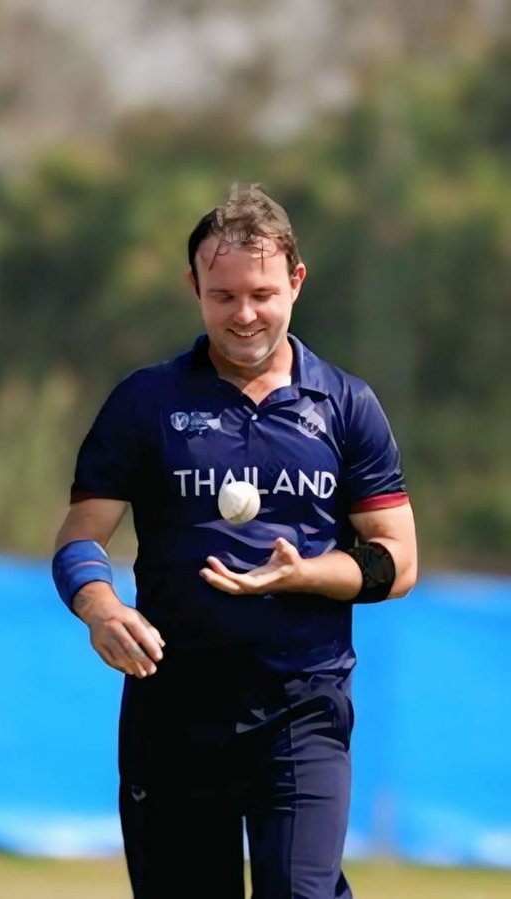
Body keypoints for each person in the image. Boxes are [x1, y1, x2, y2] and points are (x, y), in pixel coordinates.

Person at [52, 184, 419, 897]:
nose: (244, 314)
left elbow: (398, 561)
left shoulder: (348, 405)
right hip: (172, 705)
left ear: (296, 282)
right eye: (223, 295)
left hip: (302, 703)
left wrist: (304, 574)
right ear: (194, 287)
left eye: (262, 294)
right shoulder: (144, 401)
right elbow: (79, 536)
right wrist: (101, 608)